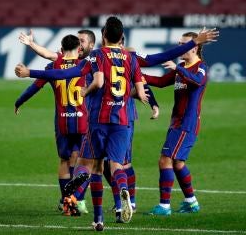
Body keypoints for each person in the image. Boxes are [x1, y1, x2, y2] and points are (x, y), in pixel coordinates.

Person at [16, 16, 148, 231]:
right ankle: (123, 192)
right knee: (116, 166)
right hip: (122, 121)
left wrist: (30, 72)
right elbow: (141, 91)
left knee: (89, 166)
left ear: (104, 35)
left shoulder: (96, 56)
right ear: (122, 36)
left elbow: (66, 72)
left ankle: (95, 216)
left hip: (97, 120)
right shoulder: (130, 58)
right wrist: (145, 101)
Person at [18, 29, 96, 213]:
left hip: (61, 121)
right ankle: (77, 199)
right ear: (79, 48)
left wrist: (19, 101)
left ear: (61, 49)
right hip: (82, 120)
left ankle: (65, 200)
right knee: (82, 161)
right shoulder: (85, 65)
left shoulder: (53, 66)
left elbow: (35, 86)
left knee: (64, 160)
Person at [144, 31, 211, 215]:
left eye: (184, 44)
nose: (180, 47)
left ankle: (164, 206)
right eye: (179, 43)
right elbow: (159, 81)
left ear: (195, 46)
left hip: (186, 124)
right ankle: (191, 202)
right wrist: (137, 75)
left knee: (165, 159)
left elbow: (198, 81)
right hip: (177, 123)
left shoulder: (201, 67)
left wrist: (177, 69)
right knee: (178, 163)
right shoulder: (181, 66)